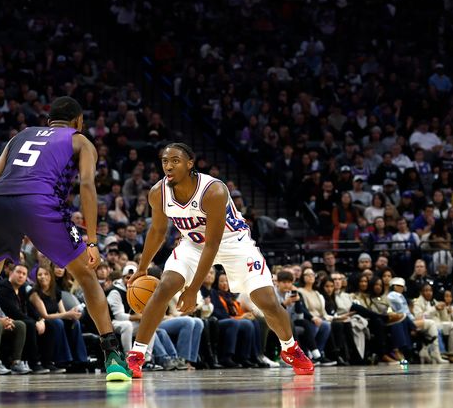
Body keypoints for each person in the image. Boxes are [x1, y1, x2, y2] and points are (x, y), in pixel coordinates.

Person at [0, 97, 132, 384]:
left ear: (49, 119)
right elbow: (87, 186)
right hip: (41, 202)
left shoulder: (19, 136)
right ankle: (113, 357)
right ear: (78, 121)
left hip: (0, 202)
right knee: (87, 276)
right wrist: (91, 240)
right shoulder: (81, 140)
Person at [125, 142, 314, 377]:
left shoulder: (213, 190)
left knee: (266, 300)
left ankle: (291, 348)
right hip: (193, 244)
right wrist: (142, 269)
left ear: (190, 163)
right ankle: (137, 355)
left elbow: (213, 245)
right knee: (164, 286)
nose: (169, 166)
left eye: (175, 161)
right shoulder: (158, 192)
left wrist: (193, 289)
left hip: (233, 242)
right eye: (165, 161)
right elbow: (157, 232)